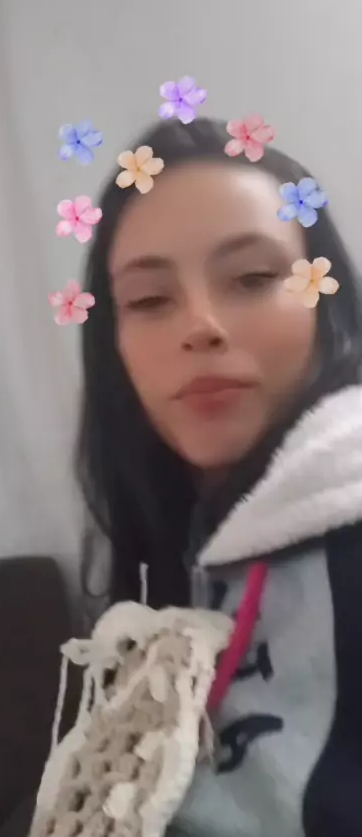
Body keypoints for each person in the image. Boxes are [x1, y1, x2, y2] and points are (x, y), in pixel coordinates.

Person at [73, 117, 362, 836]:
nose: (199, 325)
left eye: (254, 278)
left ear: (327, 306)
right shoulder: (176, 543)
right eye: (149, 300)